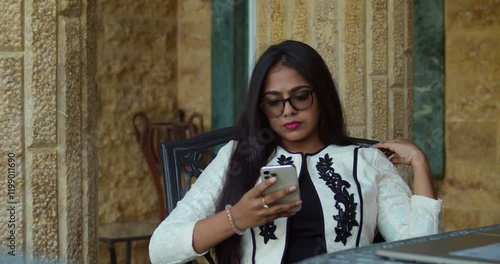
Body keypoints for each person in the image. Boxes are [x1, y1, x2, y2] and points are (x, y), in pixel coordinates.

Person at [149, 40, 442, 264]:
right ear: (261, 108)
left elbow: (420, 251)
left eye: (300, 97)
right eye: (274, 101)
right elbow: (161, 249)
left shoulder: (366, 161)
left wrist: (419, 163)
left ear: (321, 95)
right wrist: (236, 218)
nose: (288, 110)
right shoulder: (238, 157)